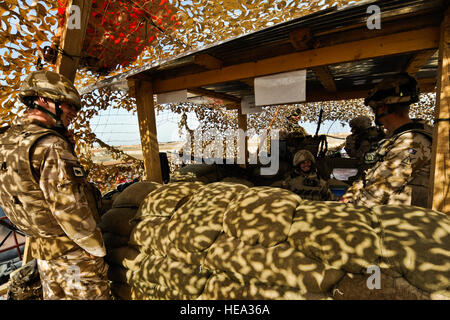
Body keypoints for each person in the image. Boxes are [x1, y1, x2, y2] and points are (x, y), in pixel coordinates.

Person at [0, 70, 110, 300]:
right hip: (72, 254)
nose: (73, 113)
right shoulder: (51, 145)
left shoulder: (8, 140)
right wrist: (95, 250)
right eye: (67, 105)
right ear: (43, 100)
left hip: (44, 251)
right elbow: (69, 210)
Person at [341, 73, 433, 208]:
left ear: (382, 108)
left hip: (402, 221)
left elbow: (378, 193)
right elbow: (369, 175)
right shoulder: (394, 139)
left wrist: (348, 211)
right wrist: (348, 197)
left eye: (374, 108)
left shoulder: (412, 141)